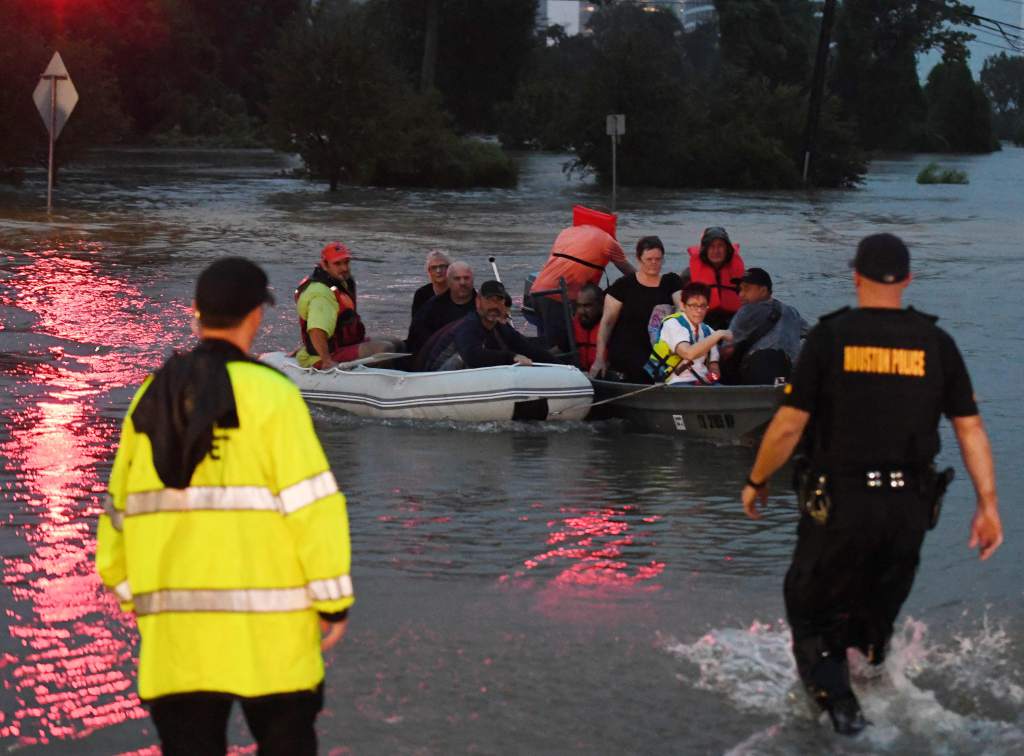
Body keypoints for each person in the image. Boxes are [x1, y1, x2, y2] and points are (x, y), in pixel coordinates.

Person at [741, 234, 1003, 736]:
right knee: (872, 625)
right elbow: (970, 429)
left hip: (841, 506)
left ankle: (846, 723)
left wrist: (757, 480)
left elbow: (791, 424)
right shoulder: (936, 343)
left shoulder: (831, 337)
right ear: (907, 279)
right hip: (909, 510)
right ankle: (885, 697)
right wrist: (988, 505)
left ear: (855, 275)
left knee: (811, 613)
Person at [96, 258, 354, 755]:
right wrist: (332, 601)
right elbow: (313, 509)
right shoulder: (273, 396)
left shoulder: (151, 395)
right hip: (272, 641)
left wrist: (135, 596)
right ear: (256, 315)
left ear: (196, 314)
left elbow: (117, 515)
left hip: (176, 642)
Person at [530, 211, 635, 350]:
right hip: (557, 297)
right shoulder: (608, 241)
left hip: (536, 291)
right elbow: (631, 274)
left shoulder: (567, 232)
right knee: (560, 348)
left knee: (550, 341)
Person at [589, 236, 683, 384]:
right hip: (627, 350)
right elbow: (607, 323)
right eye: (649, 259)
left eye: (658, 259)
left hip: (659, 350)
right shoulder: (623, 286)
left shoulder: (671, 282)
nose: (654, 263)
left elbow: (681, 305)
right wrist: (599, 359)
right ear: (639, 259)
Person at [295, 242, 399, 369]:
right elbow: (316, 331)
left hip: (344, 345)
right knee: (385, 349)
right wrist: (327, 361)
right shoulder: (321, 294)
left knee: (396, 343)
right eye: (337, 264)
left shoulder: (341, 281)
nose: (344, 268)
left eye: (346, 262)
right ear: (324, 265)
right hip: (328, 354)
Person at [423, 281, 552, 371]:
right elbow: (472, 356)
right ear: (478, 302)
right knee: (464, 358)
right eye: (489, 300)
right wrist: (512, 357)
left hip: (464, 379)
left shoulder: (500, 326)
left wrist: (563, 366)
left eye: (499, 301)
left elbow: (527, 348)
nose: (494, 306)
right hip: (436, 376)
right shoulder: (468, 325)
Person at [720, 268, 808, 385]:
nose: (741, 294)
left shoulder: (747, 311)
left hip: (758, 374)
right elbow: (813, 335)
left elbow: (727, 350)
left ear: (763, 290)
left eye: (747, 289)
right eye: (740, 289)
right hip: (789, 375)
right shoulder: (792, 312)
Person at [646, 282, 731, 385]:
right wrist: (719, 334)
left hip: (702, 383)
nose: (699, 310)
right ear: (682, 305)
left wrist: (712, 377)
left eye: (703, 306)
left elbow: (714, 367)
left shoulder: (708, 331)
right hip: (675, 383)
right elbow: (688, 353)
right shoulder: (672, 324)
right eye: (693, 305)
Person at [405, 260, 475, 355]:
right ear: (449, 281)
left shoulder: (482, 305)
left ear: (473, 280)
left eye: (466, 278)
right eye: (457, 279)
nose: (462, 282)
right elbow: (417, 336)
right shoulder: (431, 308)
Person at [682, 226, 745, 329]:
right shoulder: (688, 275)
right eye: (711, 246)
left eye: (720, 246)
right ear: (705, 250)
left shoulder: (742, 276)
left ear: (727, 249)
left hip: (733, 322)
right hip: (703, 322)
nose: (716, 251)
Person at [571, 283, 603, 372]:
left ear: (601, 305)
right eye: (579, 306)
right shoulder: (572, 325)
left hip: (604, 377)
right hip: (579, 375)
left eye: (587, 306)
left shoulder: (613, 327)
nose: (581, 311)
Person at [411, 250, 451, 319]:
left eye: (442, 266)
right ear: (429, 271)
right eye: (434, 267)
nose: (438, 271)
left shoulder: (461, 291)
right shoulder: (421, 294)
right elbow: (416, 325)